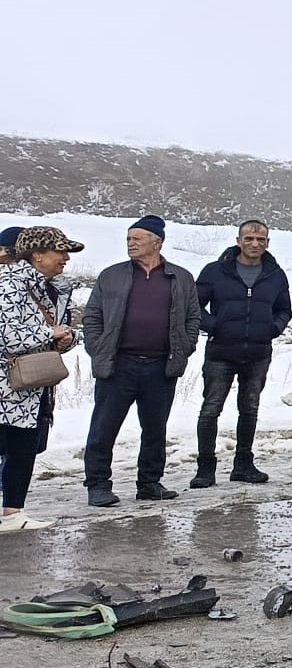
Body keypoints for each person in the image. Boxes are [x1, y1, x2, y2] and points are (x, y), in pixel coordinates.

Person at [80, 215, 201, 507]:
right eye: (128, 239)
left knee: (155, 429)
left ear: (157, 242)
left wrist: (185, 346)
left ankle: (149, 483)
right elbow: (92, 316)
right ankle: (97, 485)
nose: (130, 243)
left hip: (161, 366)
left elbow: (193, 317)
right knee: (103, 428)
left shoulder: (181, 277)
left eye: (137, 238)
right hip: (119, 365)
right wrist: (98, 348)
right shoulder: (111, 275)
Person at [192, 220, 292, 488]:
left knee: (249, 409)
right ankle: (205, 468)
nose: (254, 244)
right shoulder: (215, 271)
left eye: (260, 239)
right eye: (249, 239)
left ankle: (243, 464)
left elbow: (284, 310)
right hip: (220, 353)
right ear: (238, 241)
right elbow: (194, 307)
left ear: (267, 242)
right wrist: (215, 326)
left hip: (258, 353)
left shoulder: (275, 275)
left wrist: (272, 329)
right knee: (210, 410)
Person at [0, 226, 86, 531]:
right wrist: (52, 333)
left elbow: (57, 328)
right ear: (37, 254)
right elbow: (9, 337)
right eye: (59, 251)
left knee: (22, 449)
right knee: (12, 447)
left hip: (26, 387)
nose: (65, 258)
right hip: (6, 387)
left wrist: (67, 338)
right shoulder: (10, 284)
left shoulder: (40, 285)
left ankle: (13, 514)